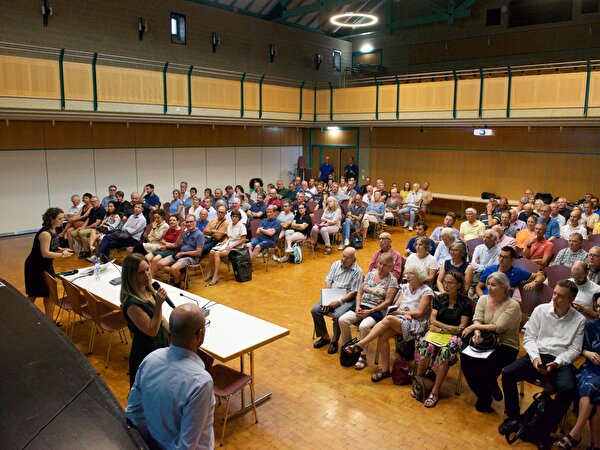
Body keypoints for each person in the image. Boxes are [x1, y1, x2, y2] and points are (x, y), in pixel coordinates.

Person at [500, 280, 585, 442]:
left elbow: (575, 350)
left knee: (568, 389)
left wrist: (557, 363)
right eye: (554, 293)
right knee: (508, 373)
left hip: (560, 361)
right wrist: (535, 358)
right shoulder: (540, 310)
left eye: (560, 296)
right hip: (537, 355)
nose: (554, 298)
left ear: (571, 299)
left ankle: (544, 428)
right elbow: (530, 337)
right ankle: (513, 417)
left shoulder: (579, 320)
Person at [125, 303, 215, 449]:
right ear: (200, 335)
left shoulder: (150, 359)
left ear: (169, 334)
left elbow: (133, 413)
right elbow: (186, 446)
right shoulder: (201, 382)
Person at [344, 265, 434, 383]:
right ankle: (385, 370)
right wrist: (400, 312)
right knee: (383, 335)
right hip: (400, 318)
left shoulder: (426, 291)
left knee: (388, 319)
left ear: (419, 276)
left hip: (415, 323)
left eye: (411, 273)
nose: (407, 276)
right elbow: (396, 306)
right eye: (407, 273)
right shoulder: (405, 287)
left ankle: (361, 344)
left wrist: (403, 313)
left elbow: (419, 312)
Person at [460, 272, 521, 412]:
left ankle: (484, 398)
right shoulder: (483, 299)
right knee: (465, 357)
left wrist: (475, 327)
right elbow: (477, 319)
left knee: (485, 366)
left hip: (506, 344)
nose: (489, 288)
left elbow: (499, 327)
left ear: (505, 287)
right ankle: (486, 391)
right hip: (485, 341)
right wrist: (476, 334)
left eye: (493, 285)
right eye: (488, 284)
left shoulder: (513, 305)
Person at [414, 271, 473, 407]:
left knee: (445, 352)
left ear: (458, 285)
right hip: (439, 333)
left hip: (454, 338)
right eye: (445, 282)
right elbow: (432, 319)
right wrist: (445, 328)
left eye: (450, 283)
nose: (446, 285)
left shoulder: (465, 304)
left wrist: (439, 328)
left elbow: (460, 328)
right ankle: (420, 383)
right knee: (424, 345)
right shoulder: (439, 299)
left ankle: (435, 390)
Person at [553, 294, 600, 449]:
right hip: (591, 368)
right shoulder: (592, 325)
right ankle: (594, 443)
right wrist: (587, 353)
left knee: (594, 393)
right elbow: (581, 348)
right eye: (598, 306)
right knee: (591, 390)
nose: (599, 310)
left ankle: (576, 434)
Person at [338, 254, 399, 370]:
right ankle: (349, 348)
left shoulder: (392, 281)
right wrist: (357, 307)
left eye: (385, 265)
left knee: (363, 326)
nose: (381, 267)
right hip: (362, 306)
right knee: (342, 320)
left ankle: (363, 355)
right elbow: (360, 293)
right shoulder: (370, 275)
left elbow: (387, 302)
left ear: (390, 267)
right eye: (380, 263)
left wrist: (371, 311)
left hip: (377, 310)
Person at [120, 253, 170, 387]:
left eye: (147, 269)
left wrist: (174, 333)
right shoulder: (132, 304)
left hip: (159, 347)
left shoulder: (148, 290)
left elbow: (160, 319)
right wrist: (159, 304)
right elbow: (152, 330)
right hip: (146, 352)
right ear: (131, 276)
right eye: (140, 273)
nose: (147, 274)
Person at [311, 247, 364, 354]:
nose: (343, 259)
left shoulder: (358, 272)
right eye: (343, 256)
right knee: (315, 310)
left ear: (354, 260)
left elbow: (353, 292)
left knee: (338, 315)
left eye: (347, 258)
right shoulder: (336, 264)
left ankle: (334, 341)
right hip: (332, 295)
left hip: (347, 300)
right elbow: (329, 281)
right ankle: (325, 337)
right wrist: (327, 298)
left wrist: (339, 302)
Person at [24, 207, 73, 321]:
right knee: (33, 294)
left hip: (46, 265)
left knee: (49, 294)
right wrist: (62, 255)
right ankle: (23, 317)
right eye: (60, 219)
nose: (62, 221)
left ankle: (49, 321)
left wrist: (61, 249)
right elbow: (45, 253)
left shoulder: (53, 230)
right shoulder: (45, 233)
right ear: (51, 219)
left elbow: (53, 246)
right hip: (35, 267)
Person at [153, 215, 204, 288]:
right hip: (180, 254)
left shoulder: (199, 234)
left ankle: (177, 280)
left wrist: (182, 253)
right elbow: (177, 244)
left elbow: (198, 252)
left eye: (191, 222)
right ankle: (180, 275)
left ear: (195, 222)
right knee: (159, 264)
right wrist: (182, 231)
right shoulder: (186, 232)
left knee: (173, 268)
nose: (189, 224)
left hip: (192, 257)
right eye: (187, 222)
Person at [476, 246, 545, 297]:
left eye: (505, 257)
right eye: (500, 256)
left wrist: (534, 283)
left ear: (512, 260)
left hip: (503, 303)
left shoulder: (517, 272)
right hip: (486, 298)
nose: (501, 259)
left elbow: (540, 275)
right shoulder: (490, 269)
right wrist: (483, 299)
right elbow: (478, 287)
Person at [205, 210, 246, 285]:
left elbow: (243, 239)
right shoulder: (230, 225)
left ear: (239, 218)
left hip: (236, 246)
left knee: (217, 253)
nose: (234, 218)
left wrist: (232, 245)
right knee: (211, 252)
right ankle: (210, 272)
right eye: (233, 216)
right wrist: (222, 243)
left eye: (236, 217)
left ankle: (215, 275)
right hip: (228, 243)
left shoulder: (241, 226)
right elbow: (227, 237)